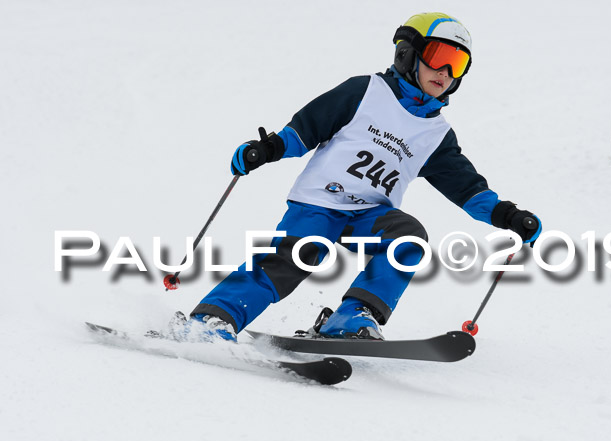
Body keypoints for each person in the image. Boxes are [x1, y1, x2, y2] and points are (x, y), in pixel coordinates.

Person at [170, 12, 542, 343]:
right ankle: (214, 320)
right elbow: (303, 131)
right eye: (439, 58)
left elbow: (468, 190)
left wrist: (508, 217)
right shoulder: (364, 92)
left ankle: (353, 316)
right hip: (320, 203)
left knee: (408, 238)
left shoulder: (436, 135)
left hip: (369, 215)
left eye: (457, 64)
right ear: (407, 54)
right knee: (294, 257)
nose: (445, 72)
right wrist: (265, 150)